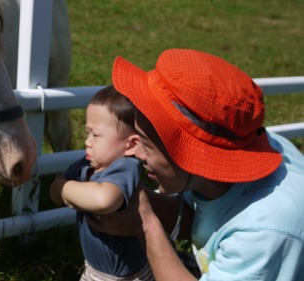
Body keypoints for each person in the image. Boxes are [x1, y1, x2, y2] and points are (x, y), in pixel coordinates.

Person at [87, 48, 304, 281]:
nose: (135, 152)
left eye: (146, 145)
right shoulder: (241, 145)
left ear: (197, 158)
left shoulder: (262, 230)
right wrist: (125, 197)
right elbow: (198, 215)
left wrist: (146, 226)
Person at [50, 85, 154, 280]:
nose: (87, 141)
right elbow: (53, 194)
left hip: (131, 276)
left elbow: (104, 200)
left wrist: (64, 189)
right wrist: (60, 190)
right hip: (96, 271)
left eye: (96, 135)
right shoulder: (85, 165)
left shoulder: (125, 168)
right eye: (87, 132)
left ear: (130, 145)